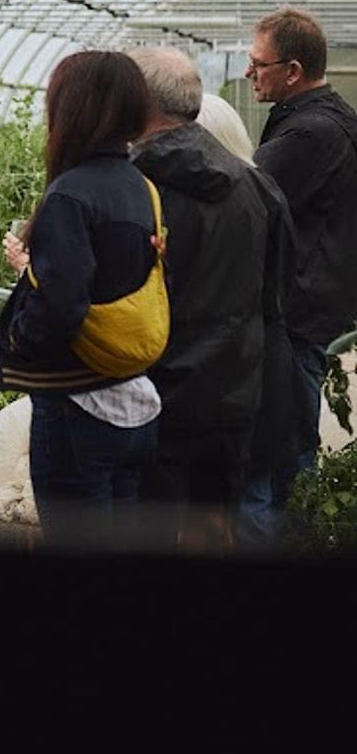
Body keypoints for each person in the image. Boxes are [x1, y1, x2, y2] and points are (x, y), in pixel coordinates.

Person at [0, 50, 168, 541]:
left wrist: (20, 340)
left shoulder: (71, 194)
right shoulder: (140, 187)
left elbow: (63, 304)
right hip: (134, 399)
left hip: (78, 406)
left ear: (70, 110)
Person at [128, 48, 295, 549]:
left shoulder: (130, 187)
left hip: (151, 390)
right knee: (214, 528)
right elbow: (278, 292)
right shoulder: (258, 187)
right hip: (236, 390)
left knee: (144, 532)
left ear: (137, 102)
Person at [246, 7, 357, 502]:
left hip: (296, 309)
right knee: (290, 444)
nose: (249, 73)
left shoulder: (310, 134)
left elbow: (244, 202)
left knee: (281, 451)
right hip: (318, 303)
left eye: (258, 63)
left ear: (293, 71)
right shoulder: (330, 120)